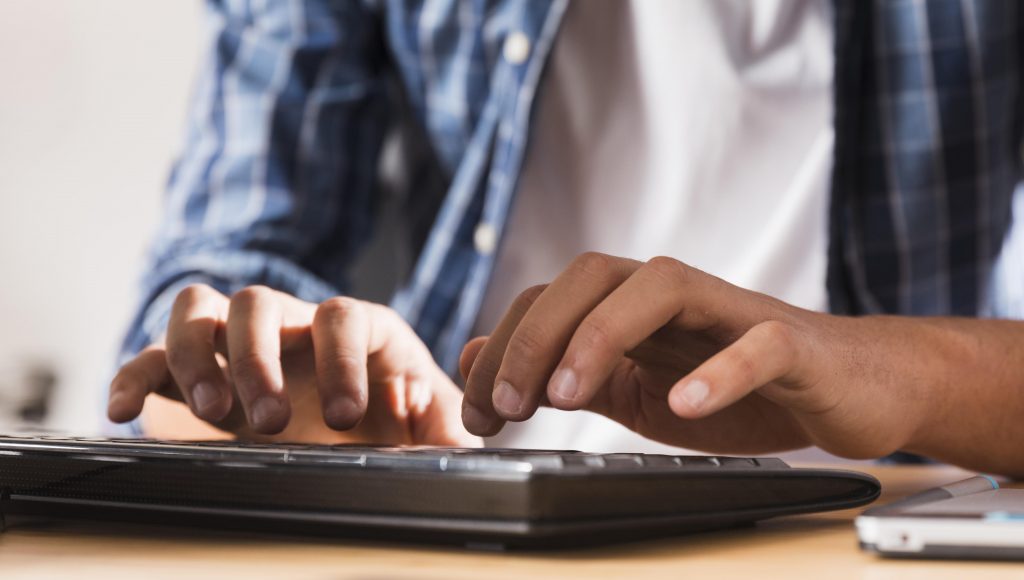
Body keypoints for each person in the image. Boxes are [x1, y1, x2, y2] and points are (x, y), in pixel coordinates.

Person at [106, 0, 1024, 477]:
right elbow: (205, 293)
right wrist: (274, 391)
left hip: (887, 526)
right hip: (451, 510)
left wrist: (896, 374)